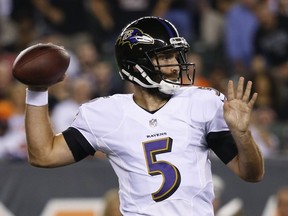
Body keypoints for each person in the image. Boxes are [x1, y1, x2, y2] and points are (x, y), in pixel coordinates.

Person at [23, 16, 264, 215]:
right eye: (164, 57)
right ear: (136, 65)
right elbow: (43, 155)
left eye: (175, 56)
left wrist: (242, 134)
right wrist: (37, 91)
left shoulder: (203, 102)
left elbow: (252, 173)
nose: (174, 66)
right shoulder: (106, 114)